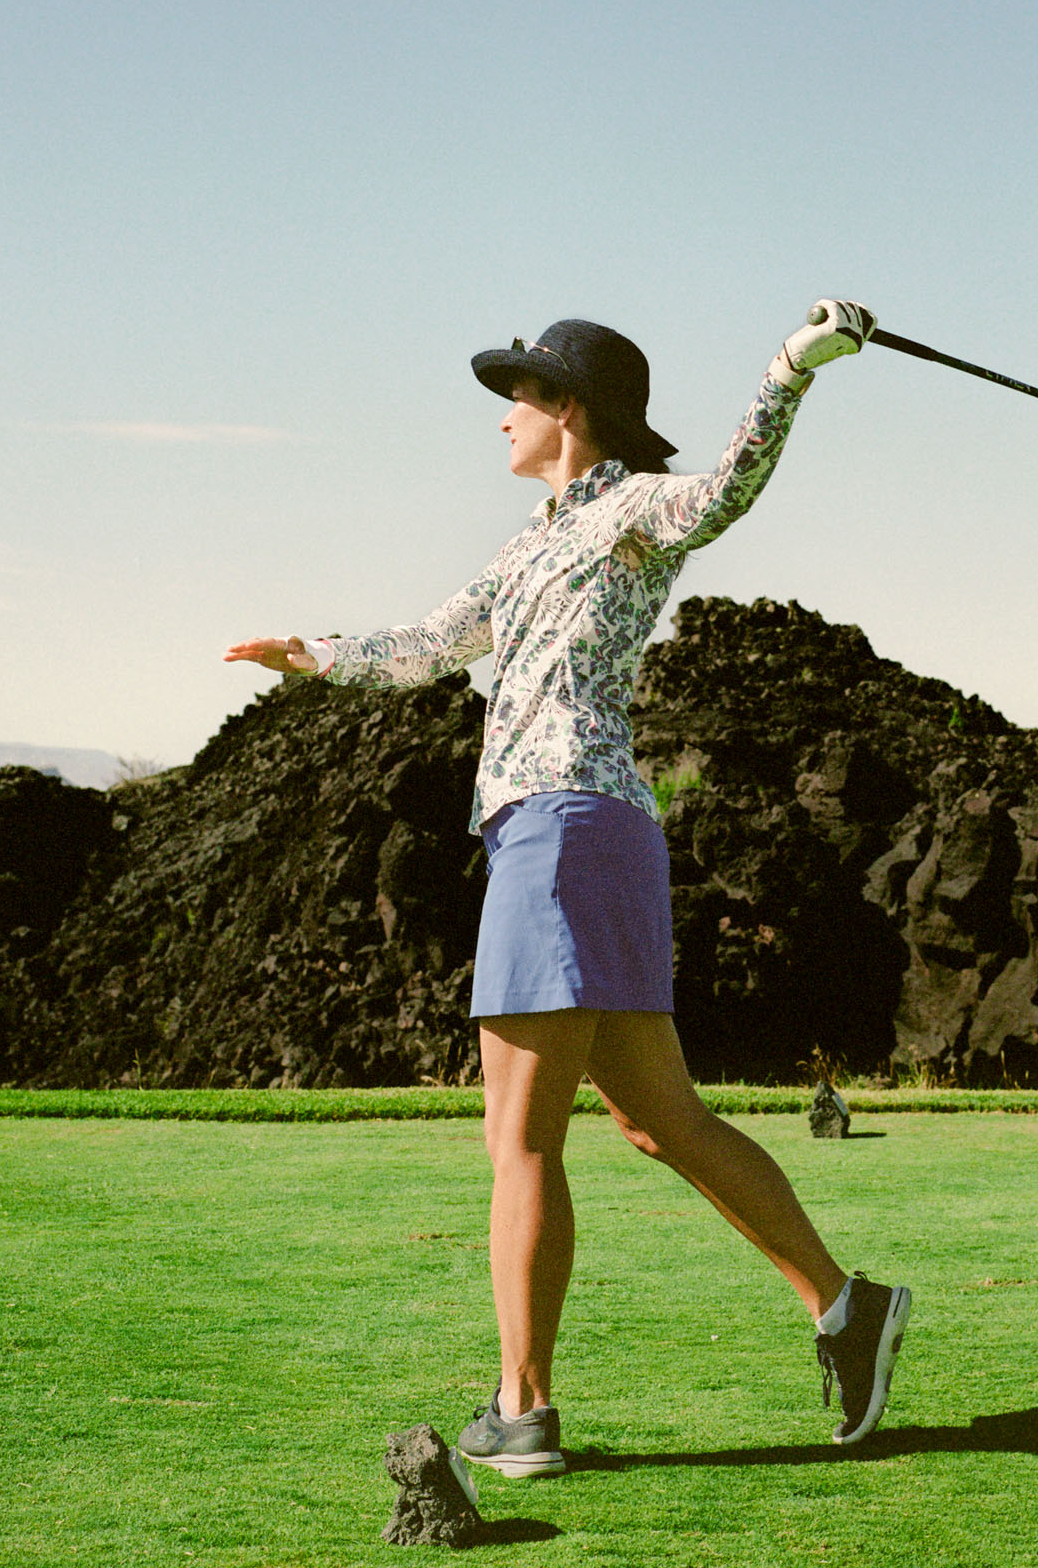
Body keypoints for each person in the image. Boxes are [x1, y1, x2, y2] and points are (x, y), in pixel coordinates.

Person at [225, 302, 911, 1477]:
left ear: (569, 411)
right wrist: (314, 654)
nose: (504, 419)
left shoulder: (632, 510)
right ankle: (849, 1309)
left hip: (560, 831)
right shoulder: (525, 548)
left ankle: (523, 1411)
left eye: (521, 398)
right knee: (659, 1122)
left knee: (521, 1138)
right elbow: (429, 645)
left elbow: (725, 491)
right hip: (593, 837)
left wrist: (792, 365)